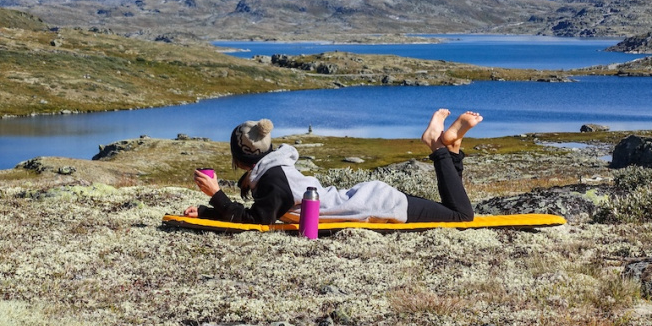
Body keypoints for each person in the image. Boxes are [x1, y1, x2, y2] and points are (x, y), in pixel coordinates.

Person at [183, 109, 481, 224]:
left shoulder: (274, 178)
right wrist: (209, 212)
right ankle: (452, 145)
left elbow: (257, 221)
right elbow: (258, 212)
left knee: (460, 216)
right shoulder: (274, 171)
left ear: (239, 159)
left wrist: (216, 195)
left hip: (375, 205)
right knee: (452, 209)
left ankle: (437, 146)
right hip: (370, 199)